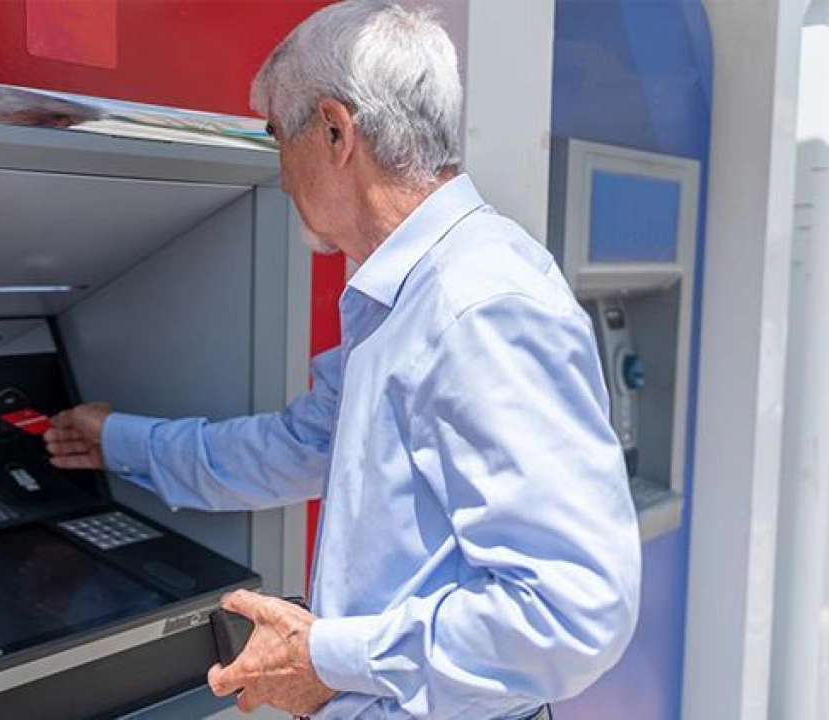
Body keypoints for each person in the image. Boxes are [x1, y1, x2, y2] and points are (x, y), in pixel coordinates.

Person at [45, 2, 641, 718]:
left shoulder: (478, 305)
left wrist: (326, 657)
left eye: (278, 138)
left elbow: (569, 615)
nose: (280, 176)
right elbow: (298, 445)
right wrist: (116, 441)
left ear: (334, 130)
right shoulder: (401, 297)